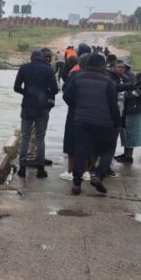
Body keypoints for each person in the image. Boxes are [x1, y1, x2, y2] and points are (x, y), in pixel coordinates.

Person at [63, 52, 120, 195]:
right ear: (102, 65)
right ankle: (99, 176)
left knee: (81, 150)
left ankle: (76, 184)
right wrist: (116, 123)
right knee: (108, 149)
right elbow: (113, 105)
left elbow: (67, 97)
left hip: (81, 121)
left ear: (87, 64)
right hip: (103, 122)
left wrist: (78, 108)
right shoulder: (108, 82)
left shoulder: (77, 78)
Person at [14, 49, 59, 179]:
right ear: (42, 58)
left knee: (25, 137)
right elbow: (55, 90)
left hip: (27, 106)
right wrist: (45, 95)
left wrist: (27, 93)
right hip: (42, 108)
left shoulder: (24, 68)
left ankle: (22, 169)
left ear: (31, 58)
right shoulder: (49, 70)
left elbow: (16, 87)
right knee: (40, 138)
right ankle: (40, 170)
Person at [25, 48, 57, 167]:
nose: (48, 59)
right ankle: (31, 156)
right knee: (34, 133)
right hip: (35, 107)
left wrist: (50, 103)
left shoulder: (48, 70)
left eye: (50, 57)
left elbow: (53, 90)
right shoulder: (40, 70)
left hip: (43, 107)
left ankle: (39, 156)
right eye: (46, 57)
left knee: (40, 134)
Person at [116, 59, 141, 164]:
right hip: (132, 108)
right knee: (126, 133)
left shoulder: (128, 77)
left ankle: (128, 157)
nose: (120, 69)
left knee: (130, 133)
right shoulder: (128, 76)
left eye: (121, 67)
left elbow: (128, 94)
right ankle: (126, 155)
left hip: (132, 109)